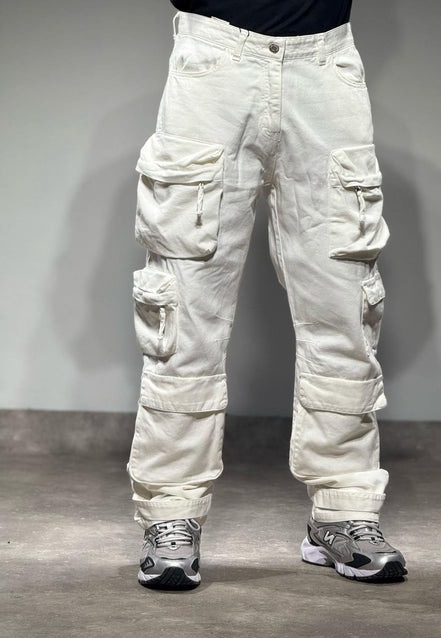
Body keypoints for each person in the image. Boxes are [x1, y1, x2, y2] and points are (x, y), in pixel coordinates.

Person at [127, 3, 407, 590]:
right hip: (214, 63)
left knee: (344, 308)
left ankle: (343, 509)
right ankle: (171, 512)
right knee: (185, 310)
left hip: (326, 65)